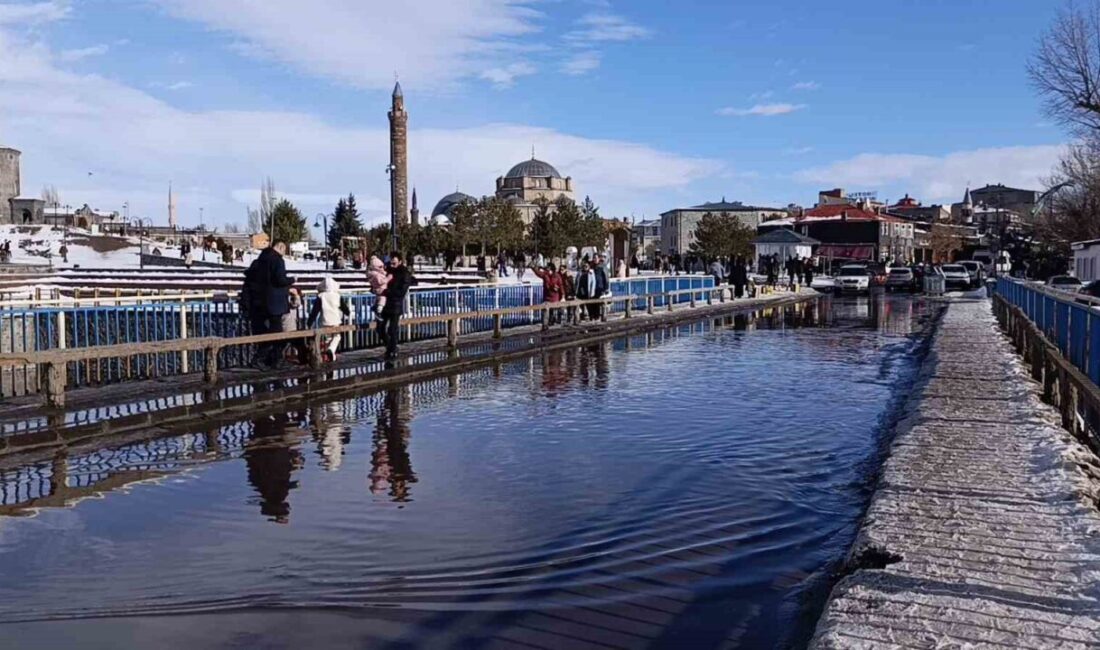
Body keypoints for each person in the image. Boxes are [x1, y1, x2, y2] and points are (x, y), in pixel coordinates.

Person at [243, 240, 295, 369]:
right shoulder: (277, 260)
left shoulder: (260, 260)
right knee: (277, 333)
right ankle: (267, 359)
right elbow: (280, 280)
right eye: (284, 249)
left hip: (260, 303)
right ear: (280, 247)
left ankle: (272, 359)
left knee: (268, 333)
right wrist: (292, 280)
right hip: (275, 304)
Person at [377, 251, 416, 360]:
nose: (392, 265)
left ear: (400, 261)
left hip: (396, 304)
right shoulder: (387, 270)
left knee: (392, 329)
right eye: (391, 263)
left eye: (394, 263)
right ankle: (390, 347)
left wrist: (386, 292)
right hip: (385, 303)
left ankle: (392, 351)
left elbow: (402, 292)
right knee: (380, 328)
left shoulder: (404, 273)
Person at [307, 276, 350, 362]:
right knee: (337, 337)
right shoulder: (337, 296)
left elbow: (315, 311)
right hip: (335, 320)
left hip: (324, 321)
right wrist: (348, 313)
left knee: (328, 338)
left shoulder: (321, 296)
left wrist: (309, 322)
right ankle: (331, 351)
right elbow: (344, 308)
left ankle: (329, 356)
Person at [532, 262, 564, 327]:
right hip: (547, 296)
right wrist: (533, 268)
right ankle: (545, 324)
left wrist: (563, 295)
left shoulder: (557, 276)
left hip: (554, 296)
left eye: (548, 268)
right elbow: (539, 273)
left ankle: (552, 320)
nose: (547, 269)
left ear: (552, 269)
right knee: (545, 310)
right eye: (547, 268)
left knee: (552, 310)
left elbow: (561, 285)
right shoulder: (545, 275)